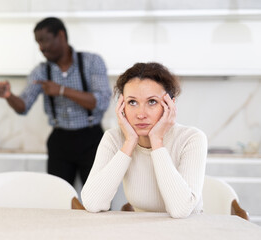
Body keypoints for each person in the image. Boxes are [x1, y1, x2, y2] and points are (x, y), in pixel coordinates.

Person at [0, 17, 111, 186]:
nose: (41, 47)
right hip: (60, 141)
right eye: (38, 43)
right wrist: (9, 95)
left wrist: (61, 90)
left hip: (92, 140)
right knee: (59, 198)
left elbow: (102, 101)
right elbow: (23, 106)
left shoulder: (92, 62)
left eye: (44, 40)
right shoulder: (41, 71)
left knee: (99, 198)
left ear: (61, 36)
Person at [81, 62, 207, 218]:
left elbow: (180, 210)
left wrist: (157, 141)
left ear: (170, 105)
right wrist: (129, 143)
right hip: (142, 230)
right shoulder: (114, 138)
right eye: (132, 102)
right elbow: (93, 203)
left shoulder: (191, 139)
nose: (141, 114)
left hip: (189, 231)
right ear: (122, 106)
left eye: (152, 102)